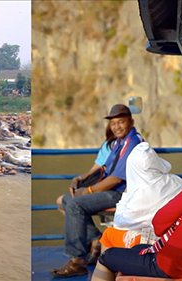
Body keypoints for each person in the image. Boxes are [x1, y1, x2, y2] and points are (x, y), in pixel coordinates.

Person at [51, 104, 144, 278]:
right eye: (113, 123)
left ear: (131, 121)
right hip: (112, 190)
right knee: (66, 200)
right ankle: (97, 240)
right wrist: (80, 178)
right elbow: (104, 167)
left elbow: (116, 179)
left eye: (121, 122)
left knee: (75, 205)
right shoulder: (119, 142)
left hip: (122, 194)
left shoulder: (132, 143)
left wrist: (87, 192)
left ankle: (78, 260)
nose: (116, 127)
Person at [97, 142, 182, 255]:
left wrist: (125, 195)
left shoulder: (140, 194)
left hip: (154, 241)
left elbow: (119, 223)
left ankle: (108, 268)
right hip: (175, 235)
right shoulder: (176, 181)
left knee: (108, 234)